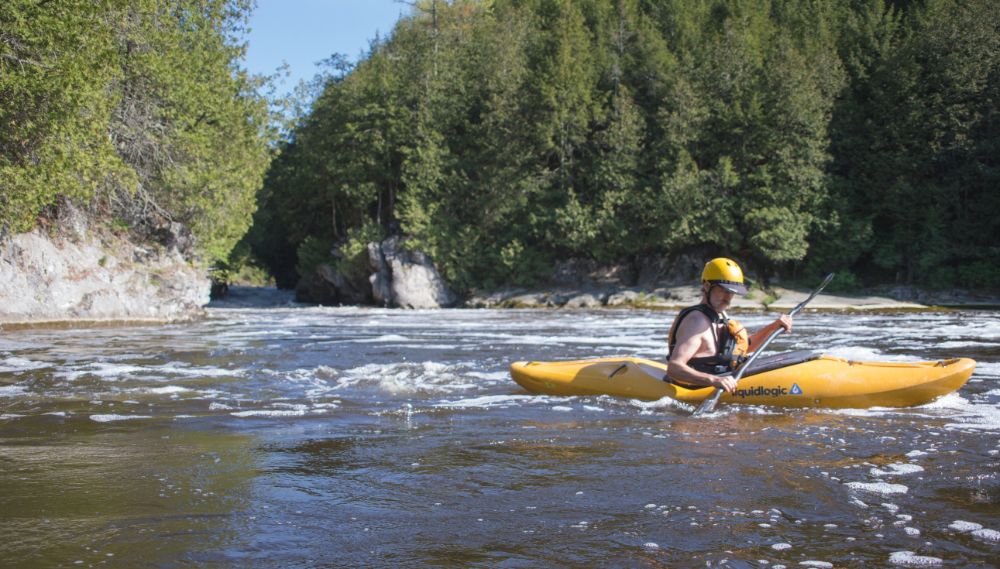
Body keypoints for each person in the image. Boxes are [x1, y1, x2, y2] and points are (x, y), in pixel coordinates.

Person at [666, 257, 792, 393]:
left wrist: (774, 327)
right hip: (698, 389)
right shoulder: (696, 321)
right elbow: (674, 368)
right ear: (707, 286)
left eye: (731, 292)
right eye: (723, 290)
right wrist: (714, 380)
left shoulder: (720, 316)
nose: (728, 297)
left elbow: (745, 348)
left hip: (722, 382)